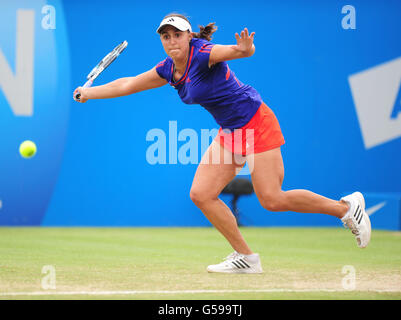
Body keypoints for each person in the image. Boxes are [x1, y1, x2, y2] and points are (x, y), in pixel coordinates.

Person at [73, 13, 372, 274]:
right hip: (231, 131)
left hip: (256, 122)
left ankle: (346, 208)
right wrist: (90, 93)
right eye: (165, 36)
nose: (171, 40)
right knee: (202, 194)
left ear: (189, 36)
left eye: (176, 34)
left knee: (272, 199)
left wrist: (245, 48)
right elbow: (128, 83)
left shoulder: (202, 52)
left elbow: (235, 51)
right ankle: (246, 257)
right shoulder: (168, 69)